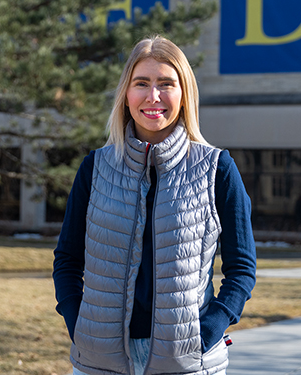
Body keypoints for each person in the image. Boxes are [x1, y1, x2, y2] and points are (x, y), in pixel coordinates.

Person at [53, 35, 256, 375]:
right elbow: (68, 260)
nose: (153, 96)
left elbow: (241, 269)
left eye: (166, 84)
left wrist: (207, 332)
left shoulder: (217, 169)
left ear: (184, 93)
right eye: (141, 83)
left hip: (187, 361)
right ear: (126, 94)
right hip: (99, 360)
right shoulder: (95, 167)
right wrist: (79, 325)